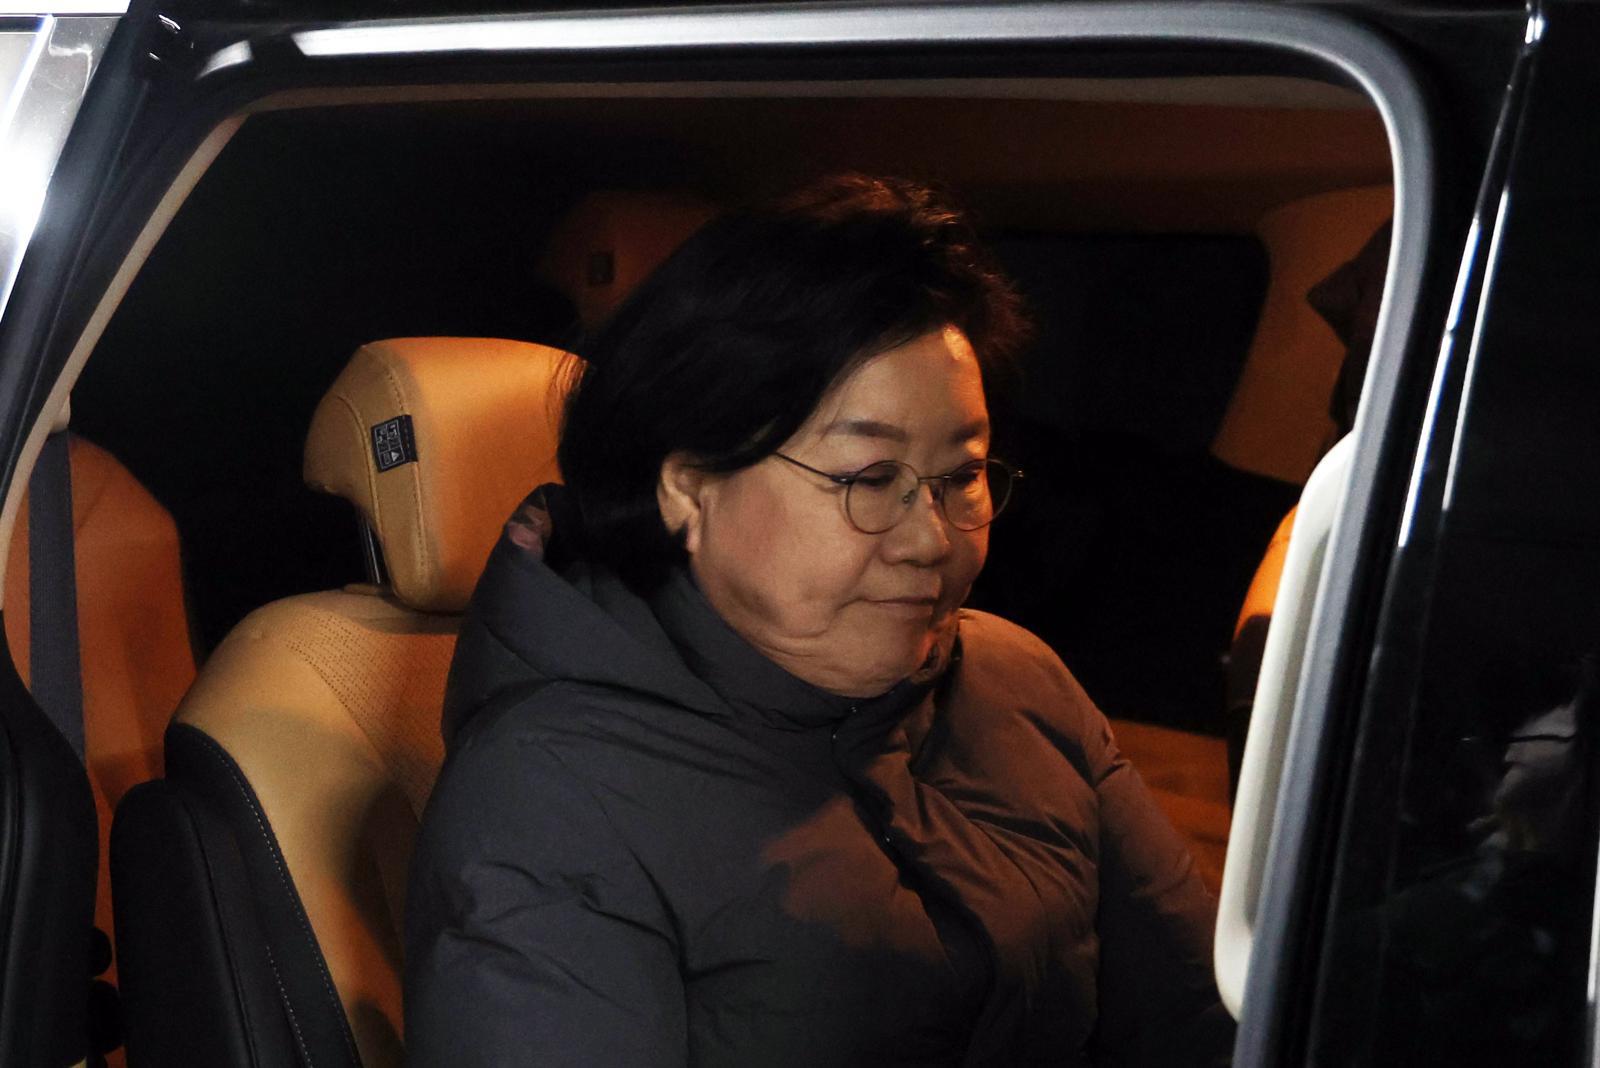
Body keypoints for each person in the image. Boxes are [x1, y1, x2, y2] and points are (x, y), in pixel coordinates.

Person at [405, 175, 1233, 1066]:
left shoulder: (1018, 682)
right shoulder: (550, 800)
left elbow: (1207, 1027)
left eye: (962, 477)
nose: (932, 539)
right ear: (689, 487)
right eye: (868, 479)